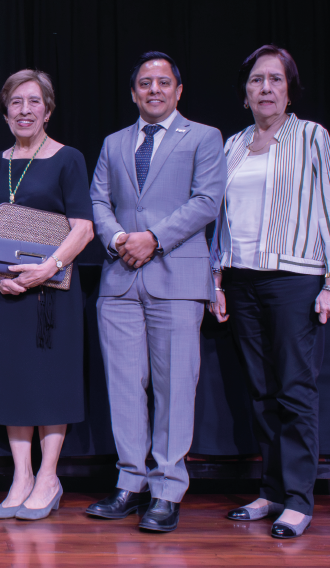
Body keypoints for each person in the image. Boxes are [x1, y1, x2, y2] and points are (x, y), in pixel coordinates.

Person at [209, 45, 330, 539]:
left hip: (295, 278)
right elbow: (220, 218)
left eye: (275, 80)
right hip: (241, 279)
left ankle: (299, 500)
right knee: (261, 391)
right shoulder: (233, 145)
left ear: (289, 91)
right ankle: (270, 490)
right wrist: (217, 277)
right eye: (256, 82)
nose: (265, 88)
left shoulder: (311, 137)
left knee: (295, 390)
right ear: (246, 95)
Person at [88, 51, 226, 532]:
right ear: (133, 92)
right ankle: (131, 483)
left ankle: (167, 489)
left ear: (178, 90)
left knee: (174, 389)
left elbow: (208, 200)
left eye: (163, 83)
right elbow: (98, 201)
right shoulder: (113, 143)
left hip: (176, 278)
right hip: (121, 279)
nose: (154, 90)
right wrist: (120, 238)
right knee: (124, 388)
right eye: (145, 83)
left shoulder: (204, 137)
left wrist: (155, 238)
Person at [0, 69, 94, 521]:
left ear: (48, 109)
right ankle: (21, 475)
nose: (24, 110)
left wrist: (48, 268)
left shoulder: (68, 159)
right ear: (5, 111)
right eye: (16, 102)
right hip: (3, 290)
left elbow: (84, 227)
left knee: (48, 384)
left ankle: (49, 477)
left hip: (49, 296)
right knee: (13, 383)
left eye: (33, 102)